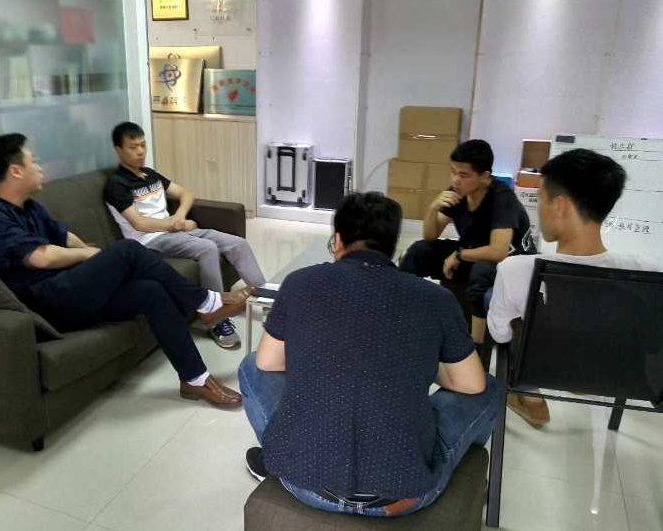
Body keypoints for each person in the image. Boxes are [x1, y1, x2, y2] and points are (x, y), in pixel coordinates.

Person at [238, 192, 502, 517]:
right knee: (490, 388)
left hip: (305, 483)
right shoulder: (435, 298)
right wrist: (411, 357)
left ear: (337, 241)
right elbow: (472, 384)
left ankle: (277, 455)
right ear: (394, 247)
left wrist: (326, 354)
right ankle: (466, 475)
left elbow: (267, 362)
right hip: (402, 495)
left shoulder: (299, 283)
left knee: (250, 366)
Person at [0, 133, 247, 407]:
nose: (40, 167)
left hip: (66, 290)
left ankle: (195, 379)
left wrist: (96, 262)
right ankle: (204, 303)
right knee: (129, 250)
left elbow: (66, 237)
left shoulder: (28, 207)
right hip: (43, 304)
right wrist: (92, 255)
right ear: (15, 171)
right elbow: (41, 258)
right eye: (33, 161)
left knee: (150, 291)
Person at [487, 148, 662, 428]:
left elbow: (500, 334)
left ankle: (530, 397)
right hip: (613, 375)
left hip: (546, 368)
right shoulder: (646, 274)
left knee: (499, 306)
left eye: (540, 198)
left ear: (560, 205)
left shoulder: (516, 270)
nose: (538, 209)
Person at [104, 122, 266, 349]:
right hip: (150, 240)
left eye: (143, 145)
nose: (140, 151)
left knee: (237, 243)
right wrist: (175, 225)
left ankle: (269, 301)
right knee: (207, 248)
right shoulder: (116, 185)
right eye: (133, 147)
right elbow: (139, 223)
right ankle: (216, 319)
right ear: (118, 150)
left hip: (174, 230)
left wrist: (179, 217)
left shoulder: (150, 175)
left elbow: (185, 194)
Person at [399, 139, 535, 354]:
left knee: (480, 272)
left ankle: (476, 349)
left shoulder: (501, 198)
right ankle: (399, 315)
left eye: (463, 175)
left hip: (510, 263)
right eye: (453, 172)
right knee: (419, 251)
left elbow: (498, 251)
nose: (456, 180)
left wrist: (459, 255)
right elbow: (430, 236)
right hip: (474, 253)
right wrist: (433, 208)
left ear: (485, 176)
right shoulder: (457, 193)